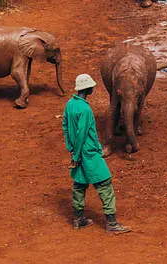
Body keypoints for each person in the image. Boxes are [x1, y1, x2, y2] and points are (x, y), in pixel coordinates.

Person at [63, 73, 131, 234]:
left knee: (79, 185)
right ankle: (112, 224)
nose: (94, 88)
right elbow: (81, 134)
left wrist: (71, 149)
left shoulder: (70, 104)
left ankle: (78, 219)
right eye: (92, 86)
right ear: (87, 89)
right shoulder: (85, 109)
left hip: (77, 151)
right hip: (88, 154)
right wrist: (77, 154)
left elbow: (65, 126)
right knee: (105, 185)